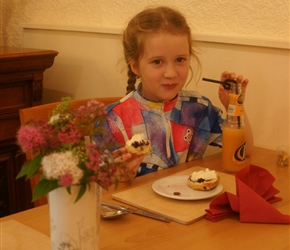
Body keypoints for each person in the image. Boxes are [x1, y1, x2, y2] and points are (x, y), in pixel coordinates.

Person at [97, 6, 253, 179]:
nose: (171, 73)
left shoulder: (199, 109)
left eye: (180, 60)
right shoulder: (113, 120)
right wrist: (117, 177)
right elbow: (99, 189)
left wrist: (235, 109)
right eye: (157, 62)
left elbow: (244, 152)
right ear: (135, 66)